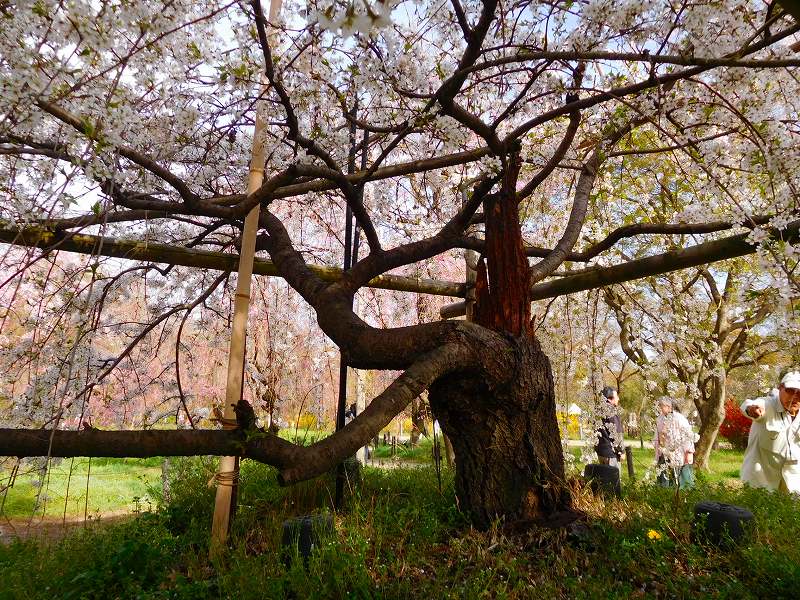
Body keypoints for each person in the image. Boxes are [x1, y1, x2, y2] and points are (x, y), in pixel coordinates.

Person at [740, 369, 800, 493]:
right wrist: (752, 409)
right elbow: (749, 405)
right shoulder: (768, 404)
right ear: (780, 388)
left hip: (792, 482)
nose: (795, 397)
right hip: (761, 480)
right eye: (790, 391)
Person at [654, 397, 696, 489]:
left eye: (662, 406)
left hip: (678, 454)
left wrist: (689, 451)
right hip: (664, 453)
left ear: (669, 407)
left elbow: (688, 435)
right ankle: (664, 493)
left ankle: (684, 495)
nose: (660, 408)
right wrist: (658, 449)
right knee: (663, 478)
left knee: (682, 479)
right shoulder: (659, 419)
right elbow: (657, 435)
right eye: (660, 406)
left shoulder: (679, 419)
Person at [595, 386, 623, 467]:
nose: (618, 399)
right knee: (613, 478)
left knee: (604, 479)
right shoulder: (611, 411)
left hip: (600, 451)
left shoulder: (598, 410)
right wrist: (621, 451)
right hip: (611, 453)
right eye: (616, 396)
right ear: (610, 399)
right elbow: (616, 433)